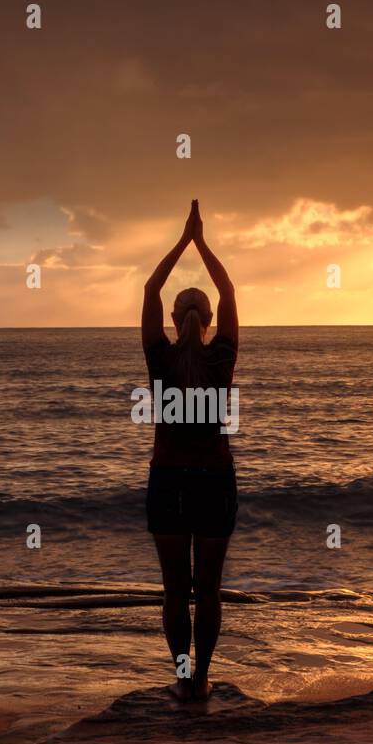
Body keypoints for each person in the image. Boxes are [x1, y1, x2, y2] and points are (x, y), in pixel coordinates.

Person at [140, 199, 239, 702]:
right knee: (209, 591)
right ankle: (202, 679)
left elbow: (150, 288)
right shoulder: (221, 357)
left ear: (176, 318)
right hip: (214, 481)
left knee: (176, 590)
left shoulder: (159, 360)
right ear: (204, 322)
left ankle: (182, 678)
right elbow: (228, 290)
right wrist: (203, 243)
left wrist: (182, 242)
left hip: (170, 481)